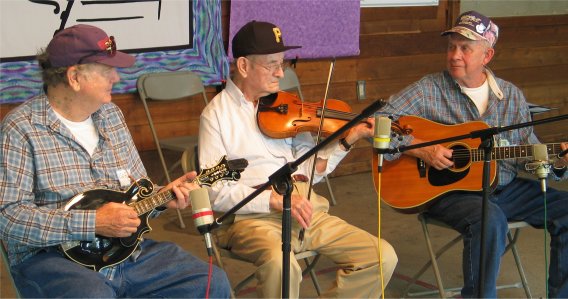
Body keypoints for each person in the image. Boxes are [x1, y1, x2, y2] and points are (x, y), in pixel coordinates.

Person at [0, 24, 231, 298]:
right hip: (52, 260)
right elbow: (8, 217)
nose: (116, 77)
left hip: (123, 253)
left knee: (210, 281)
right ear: (74, 77)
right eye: (107, 70)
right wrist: (93, 222)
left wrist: (163, 196)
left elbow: (134, 195)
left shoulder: (111, 116)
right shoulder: (21, 128)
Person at [198, 20, 398, 298]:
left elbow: (310, 172)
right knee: (283, 265)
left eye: (283, 63)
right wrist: (272, 200)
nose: (281, 73)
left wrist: (346, 141)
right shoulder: (216, 116)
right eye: (271, 65)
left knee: (381, 257)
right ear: (243, 66)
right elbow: (214, 192)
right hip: (253, 220)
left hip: (306, 208)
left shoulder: (286, 107)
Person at [382, 11, 568, 298]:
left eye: (465, 48)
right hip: (449, 192)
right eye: (451, 46)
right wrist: (423, 148)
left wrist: (558, 162)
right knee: (490, 219)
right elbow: (377, 122)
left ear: (487, 55)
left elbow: (527, 154)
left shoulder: (511, 96)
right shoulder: (429, 89)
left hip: (505, 189)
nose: (455, 55)